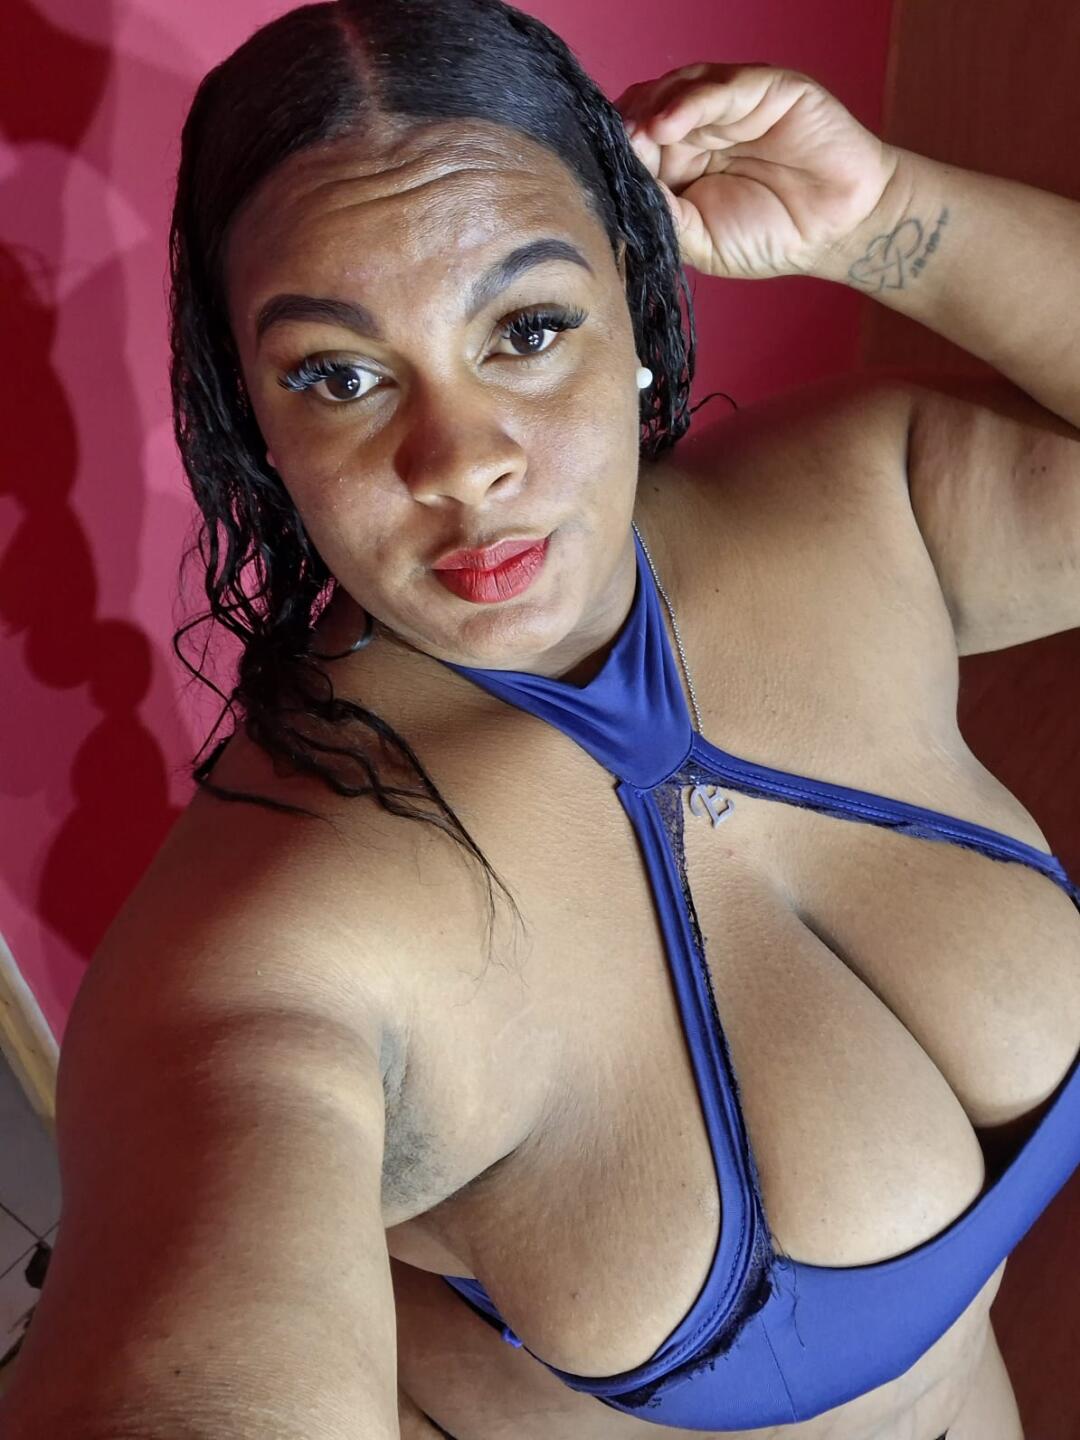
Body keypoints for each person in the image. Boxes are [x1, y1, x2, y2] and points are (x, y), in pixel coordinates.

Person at [3, 2, 1079, 1438]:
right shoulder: (273, 938)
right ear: (254, 420)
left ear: (631, 296)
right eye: (338, 375)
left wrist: (883, 214)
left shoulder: (864, 507)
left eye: (525, 328)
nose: (460, 463)